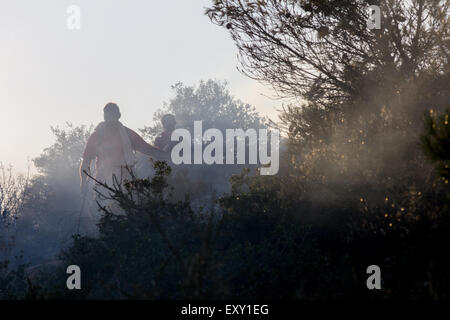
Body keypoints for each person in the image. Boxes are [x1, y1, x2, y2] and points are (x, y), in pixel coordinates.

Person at [80, 103, 167, 196]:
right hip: (104, 181)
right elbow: (86, 161)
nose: (110, 120)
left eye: (112, 116)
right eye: (107, 116)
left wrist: (166, 156)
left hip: (126, 180)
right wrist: (83, 183)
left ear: (118, 116)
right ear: (104, 117)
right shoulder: (97, 136)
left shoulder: (127, 134)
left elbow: (147, 148)